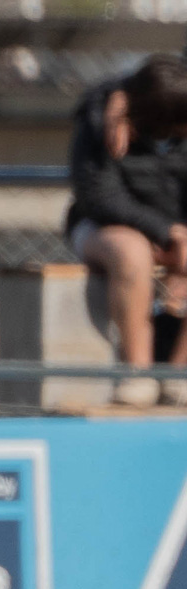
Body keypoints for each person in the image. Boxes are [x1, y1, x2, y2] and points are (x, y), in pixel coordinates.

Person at [66, 54, 187, 406]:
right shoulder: (99, 119)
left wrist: (178, 236)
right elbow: (97, 197)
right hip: (104, 227)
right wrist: (165, 230)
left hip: (174, 230)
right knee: (131, 251)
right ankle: (138, 375)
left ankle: (179, 377)